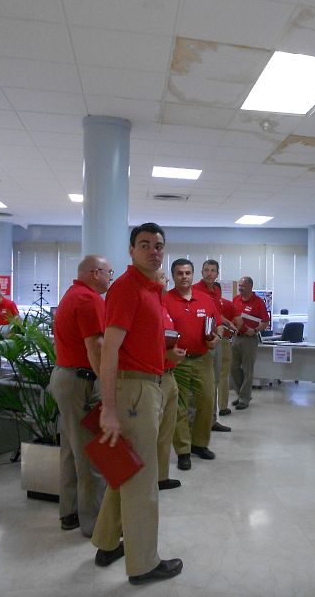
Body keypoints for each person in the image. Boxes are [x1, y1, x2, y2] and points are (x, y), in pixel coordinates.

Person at [91, 222, 183, 585]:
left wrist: (167, 352)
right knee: (142, 481)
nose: (153, 250)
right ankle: (143, 564)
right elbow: (108, 350)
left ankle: (107, 542)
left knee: (125, 472)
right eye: (144, 245)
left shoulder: (152, 289)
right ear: (131, 251)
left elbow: (140, 340)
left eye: (158, 245)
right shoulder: (126, 289)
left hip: (150, 386)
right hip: (134, 393)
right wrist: (109, 408)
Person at [49, 254, 112, 537]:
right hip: (81, 381)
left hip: (65, 377)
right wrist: (106, 385)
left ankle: (70, 511)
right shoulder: (89, 300)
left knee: (70, 449)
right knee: (91, 454)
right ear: (95, 273)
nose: (111, 278)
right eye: (109, 273)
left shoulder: (72, 294)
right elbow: (96, 347)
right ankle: (95, 523)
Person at [164, 258, 220, 471]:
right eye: (179, 273)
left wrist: (215, 338)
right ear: (173, 276)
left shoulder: (206, 300)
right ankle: (183, 450)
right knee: (179, 407)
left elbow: (216, 327)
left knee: (207, 400)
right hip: (177, 360)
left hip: (203, 358)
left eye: (187, 273)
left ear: (193, 274)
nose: (184, 277)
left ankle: (199, 444)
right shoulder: (165, 300)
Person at [154, 269, 186, 491]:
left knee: (166, 430)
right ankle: (150, 478)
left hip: (170, 374)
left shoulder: (162, 306)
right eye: (163, 276)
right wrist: (166, 355)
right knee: (154, 432)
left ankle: (161, 476)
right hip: (154, 378)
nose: (167, 280)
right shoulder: (149, 306)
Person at [192, 260, 231, 432]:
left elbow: (217, 315)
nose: (209, 273)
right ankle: (197, 421)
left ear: (217, 273)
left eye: (213, 270)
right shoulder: (194, 290)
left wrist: (224, 327)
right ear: (201, 272)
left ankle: (212, 420)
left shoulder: (216, 290)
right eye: (206, 270)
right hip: (200, 341)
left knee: (214, 380)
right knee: (200, 383)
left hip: (217, 338)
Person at [230, 276, 269, 411]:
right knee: (233, 368)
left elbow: (265, 322)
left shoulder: (258, 302)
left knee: (247, 370)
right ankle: (242, 394)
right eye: (240, 285)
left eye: (243, 286)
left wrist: (255, 330)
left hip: (250, 339)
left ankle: (244, 398)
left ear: (251, 287)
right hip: (236, 337)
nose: (240, 288)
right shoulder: (235, 300)